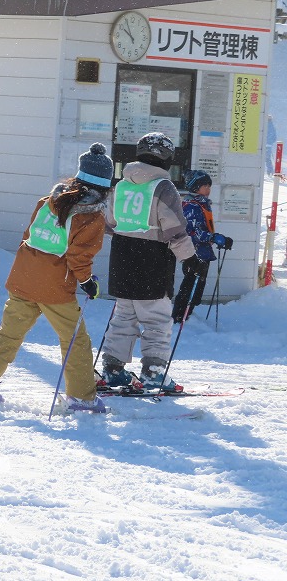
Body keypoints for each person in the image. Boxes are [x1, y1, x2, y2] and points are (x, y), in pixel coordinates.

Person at [0, 143, 113, 412]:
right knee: (75, 340)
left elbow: (27, 236)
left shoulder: (48, 202)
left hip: (23, 278)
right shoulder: (91, 217)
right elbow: (79, 256)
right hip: (54, 288)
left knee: (8, 335)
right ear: (104, 186)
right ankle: (82, 398)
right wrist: (87, 282)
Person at [98, 133, 204, 393]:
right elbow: (174, 230)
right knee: (156, 318)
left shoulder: (121, 186)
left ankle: (113, 369)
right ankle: (153, 372)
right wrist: (190, 258)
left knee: (124, 315)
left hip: (122, 258)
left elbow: (110, 224)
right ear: (167, 158)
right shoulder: (163, 188)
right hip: (152, 260)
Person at [172, 170, 233, 323]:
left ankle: (188, 314)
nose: (208, 189)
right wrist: (213, 237)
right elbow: (193, 232)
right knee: (190, 284)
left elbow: (203, 229)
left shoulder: (202, 204)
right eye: (205, 186)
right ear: (196, 187)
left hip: (203, 251)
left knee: (198, 286)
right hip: (193, 252)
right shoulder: (191, 206)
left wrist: (217, 238)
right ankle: (179, 316)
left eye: (209, 186)